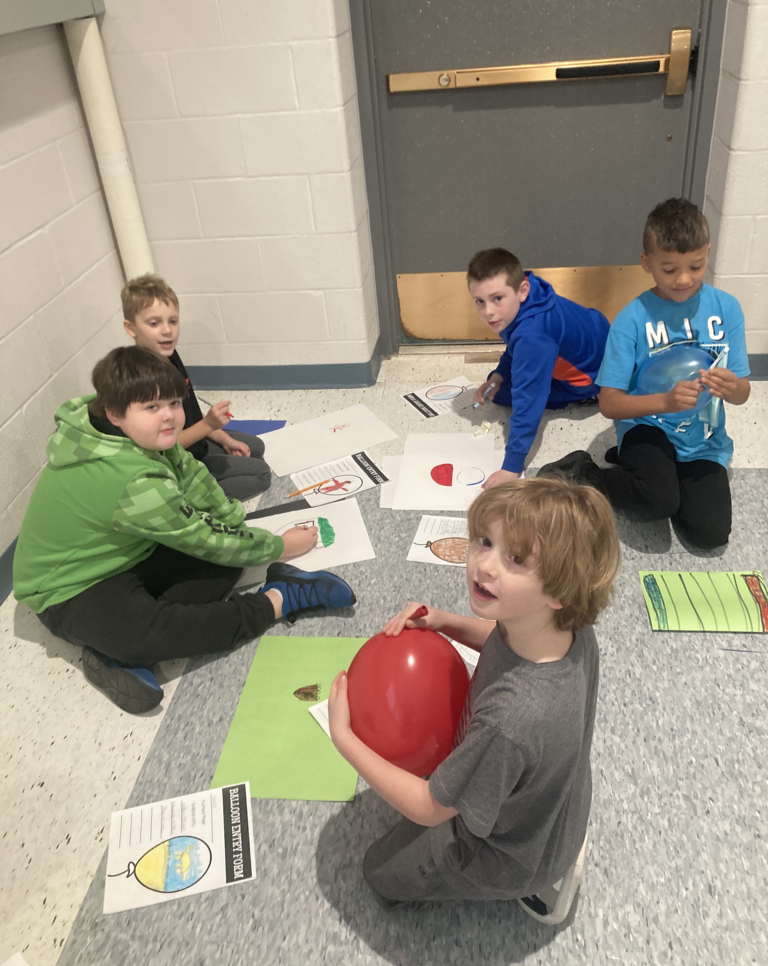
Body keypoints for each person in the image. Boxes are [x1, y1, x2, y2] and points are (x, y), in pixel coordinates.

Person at [328, 477, 619, 913]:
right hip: (559, 808)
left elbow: (428, 809)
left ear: (559, 590)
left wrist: (343, 737)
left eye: (515, 559)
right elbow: (500, 642)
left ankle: (533, 883)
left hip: (509, 855)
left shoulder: (510, 721)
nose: (484, 565)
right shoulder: (568, 630)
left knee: (377, 872)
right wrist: (445, 621)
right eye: (485, 541)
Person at [13, 347, 356, 715]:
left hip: (126, 552)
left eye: (174, 404)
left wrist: (232, 517)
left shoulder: (124, 430)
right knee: (154, 629)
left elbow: (188, 472)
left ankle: (117, 647)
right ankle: (277, 601)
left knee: (223, 561)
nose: (170, 418)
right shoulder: (134, 483)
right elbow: (205, 538)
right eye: (151, 408)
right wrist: (278, 547)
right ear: (114, 413)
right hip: (66, 589)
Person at [539, 198, 751, 549]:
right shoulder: (632, 319)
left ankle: (647, 472)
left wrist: (734, 388)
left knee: (710, 534)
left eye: (696, 266)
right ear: (646, 262)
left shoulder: (727, 308)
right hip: (647, 425)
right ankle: (586, 473)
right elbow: (609, 404)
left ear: (708, 254)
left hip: (703, 439)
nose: (683, 279)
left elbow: (743, 393)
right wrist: (666, 402)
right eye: (669, 270)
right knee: (659, 501)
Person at [468, 248, 610, 489]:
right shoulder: (531, 295)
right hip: (598, 335)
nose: (488, 311)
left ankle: (587, 396)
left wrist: (512, 467)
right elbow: (516, 342)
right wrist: (500, 374)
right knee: (500, 384)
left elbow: (528, 399)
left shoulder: (533, 337)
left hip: (592, 377)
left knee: (506, 396)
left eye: (497, 299)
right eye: (479, 301)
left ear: (521, 290)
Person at [122, 273, 271, 501]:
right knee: (261, 475)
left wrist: (223, 438)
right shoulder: (143, 380)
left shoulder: (170, 356)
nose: (167, 330)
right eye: (154, 323)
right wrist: (209, 425)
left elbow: (189, 411)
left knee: (255, 447)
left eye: (173, 321)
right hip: (176, 462)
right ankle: (191, 501)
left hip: (194, 443)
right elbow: (161, 448)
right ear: (131, 328)